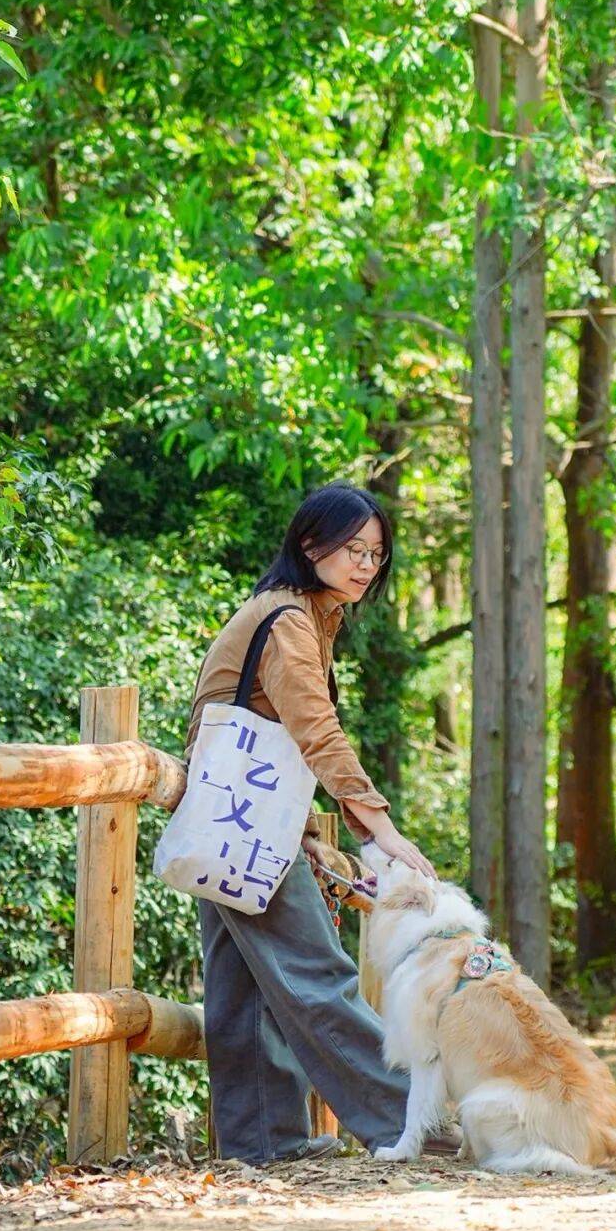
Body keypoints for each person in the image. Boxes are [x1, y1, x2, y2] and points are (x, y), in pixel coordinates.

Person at [183, 480, 459, 1165]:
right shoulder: (287, 622)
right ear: (311, 546)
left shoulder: (301, 615)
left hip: (233, 816)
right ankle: (408, 1122)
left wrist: (303, 828)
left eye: (376, 553)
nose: (365, 564)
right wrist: (375, 828)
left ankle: (264, 1142)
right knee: (317, 973)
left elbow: (274, 734)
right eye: (351, 549)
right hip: (243, 820)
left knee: (239, 988)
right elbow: (315, 730)